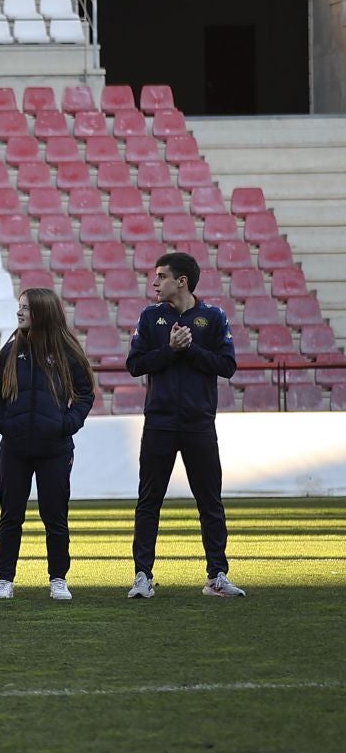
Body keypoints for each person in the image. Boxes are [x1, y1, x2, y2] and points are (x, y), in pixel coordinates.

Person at [128, 251, 244, 598]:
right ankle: (142, 576)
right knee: (149, 500)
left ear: (181, 281)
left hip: (199, 423)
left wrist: (189, 350)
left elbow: (227, 366)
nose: (154, 282)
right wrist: (171, 349)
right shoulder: (150, 318)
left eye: (161, 276)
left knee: (210, 501)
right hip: (160, 423)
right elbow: (135, 364)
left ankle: (217, 575)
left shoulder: (213, 317)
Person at [0, 288, 95, 601]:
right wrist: (2, 424)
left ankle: (58, 578)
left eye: (25, 308)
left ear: (43, 312)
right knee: (10, 516)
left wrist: (67, 424)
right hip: (14, 449)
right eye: (19, 307)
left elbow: (85, 393)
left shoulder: (67, 351)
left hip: (55, 450)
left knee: (55, 516)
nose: (19, 313)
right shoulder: (9, 350)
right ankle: (5, 578)